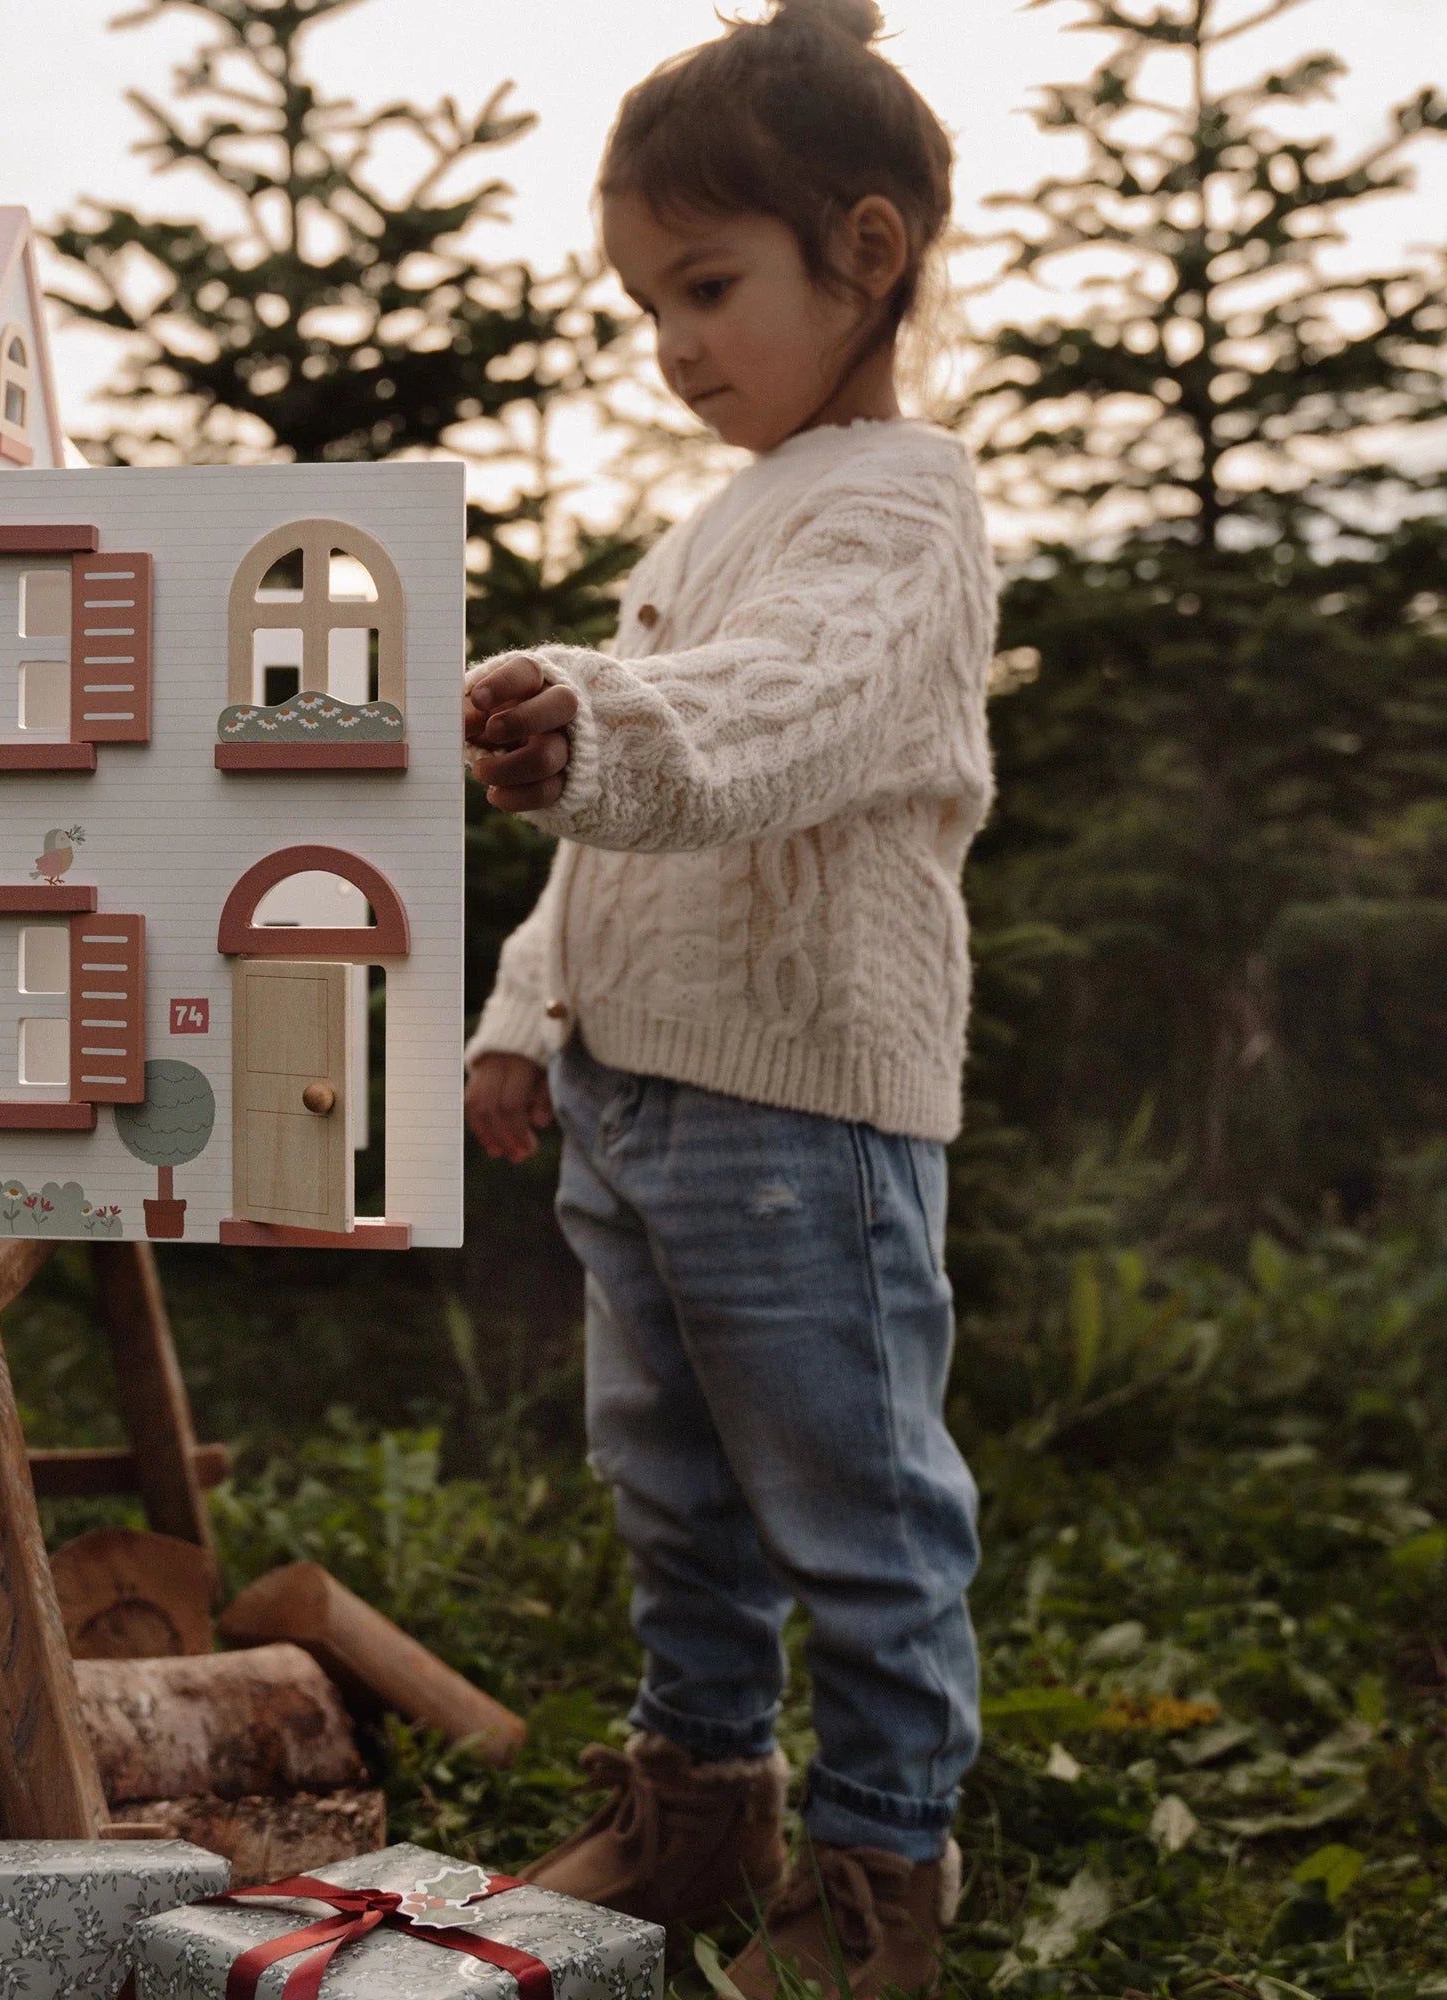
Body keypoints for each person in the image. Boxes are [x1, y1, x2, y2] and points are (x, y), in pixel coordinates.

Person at [461, 3, 995, 1993]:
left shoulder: (897, 503)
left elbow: (775, 719)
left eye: (707, 287)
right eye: (642, 303)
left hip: (799, 1118)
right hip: (634, 1098)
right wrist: (527, 1011)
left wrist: (585, 714)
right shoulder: (716, 516)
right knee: (667, 1487)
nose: (671, 344)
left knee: (851, 1512)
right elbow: (615, 839)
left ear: (862, 252)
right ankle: (696, 1808)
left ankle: (873, 1884)